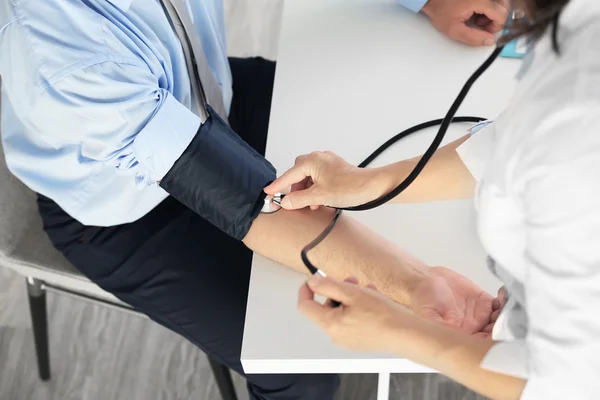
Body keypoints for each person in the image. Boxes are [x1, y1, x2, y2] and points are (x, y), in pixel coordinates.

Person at [0, 0, 508, 398]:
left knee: (379, 109)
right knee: (296, 369)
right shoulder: (66, 58)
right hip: (130, 210)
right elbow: (246, 202)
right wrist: (419, 285)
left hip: (205, 93)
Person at [265, 0, 600, 398]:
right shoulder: (577, 38)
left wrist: (398, 331)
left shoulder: (581, 119)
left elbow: (564, 384)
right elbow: (516, 141)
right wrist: (370, 182)